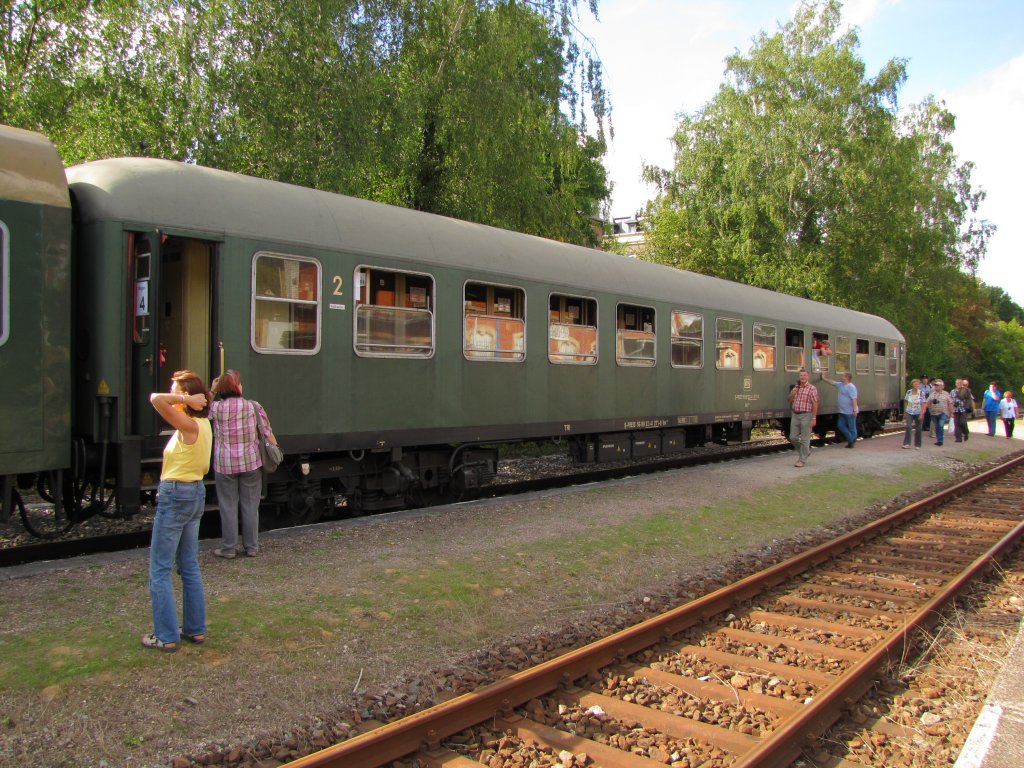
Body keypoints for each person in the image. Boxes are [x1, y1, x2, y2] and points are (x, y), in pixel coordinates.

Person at [142, 370, 212, 653]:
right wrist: (188, 398)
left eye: (179, 393)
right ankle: (195, 630)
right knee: (189, 566)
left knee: (159, 569)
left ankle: (166, 636)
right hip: (194, 492)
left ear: (188, 397)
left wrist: (182, 397)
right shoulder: (204, 425)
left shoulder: (188, 425)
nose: (174, 398)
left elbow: (156, 399)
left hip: (176, 494)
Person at [208, 370, 277, 559]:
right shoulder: (253, 406)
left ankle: (229, 548)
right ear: (238, 387)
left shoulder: (215, 408)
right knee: (250, 506)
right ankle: (251, 547)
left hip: (225, 465)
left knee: (228, 506)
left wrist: (212, 390)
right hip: (251, 463)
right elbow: (267, 432)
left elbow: (201, 409)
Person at [787, 368, 819, 467]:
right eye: (801, 375)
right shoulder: (796, 388)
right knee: (792, 437)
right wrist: (793, 394)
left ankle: (802, 460)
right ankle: (805, 451)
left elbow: (815, 403)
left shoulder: (812, 388)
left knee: (805, 439)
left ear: (808, 377)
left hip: (806, 415)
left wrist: (814, 417)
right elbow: (788, 400)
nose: (802, 377)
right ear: (799, 377)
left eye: (804, 375)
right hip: (795, 414)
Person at [821, 371, 859, 447]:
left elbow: (854, 399)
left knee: (852, 427)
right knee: (840, 425)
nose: (841, 377)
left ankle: (851, 441)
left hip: (850, 412)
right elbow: (832, 382)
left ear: (847, 378)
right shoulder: (841, 385)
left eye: (843, 376)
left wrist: (854, 410)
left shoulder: (851, 387)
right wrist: (823, 378)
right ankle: (851, 439)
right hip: (842, 411)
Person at [927, 379, 955, 446]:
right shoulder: (932, 394)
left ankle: (940, 441)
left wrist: (952, 412)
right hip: (933, 413)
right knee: (937, 427)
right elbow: (927, 402)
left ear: (942, 386)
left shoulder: (946, 394)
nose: (936, 387)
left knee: (940, 425)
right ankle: (938, 439)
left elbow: (950, 403)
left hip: (943, 413)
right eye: (935, 386)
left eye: (938, 386)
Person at [902, 378, 925, 449]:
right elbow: (906, 401)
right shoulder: (909, 392)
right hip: (909, 411)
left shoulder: (921, 393)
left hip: (918, 412)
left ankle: (918, 444)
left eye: (917, 384)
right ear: (912, 385)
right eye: (915, 384)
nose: (916, 385)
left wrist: (922, 413)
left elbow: (923, 403)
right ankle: (906, 443)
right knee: (908, 427)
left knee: (918, 428)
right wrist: (905, 411)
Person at [952, 379, 975, 443]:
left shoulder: (966, 390)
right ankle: (958, 438)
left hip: (963, 409)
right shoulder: (953, 391)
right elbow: (950, 400)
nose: (958, 384)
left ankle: (966, 433)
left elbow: (969, 399)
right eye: (957, 383)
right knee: (957, 423)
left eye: (960, 383)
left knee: (963, 422)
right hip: (955, 409)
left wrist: (971, 408)